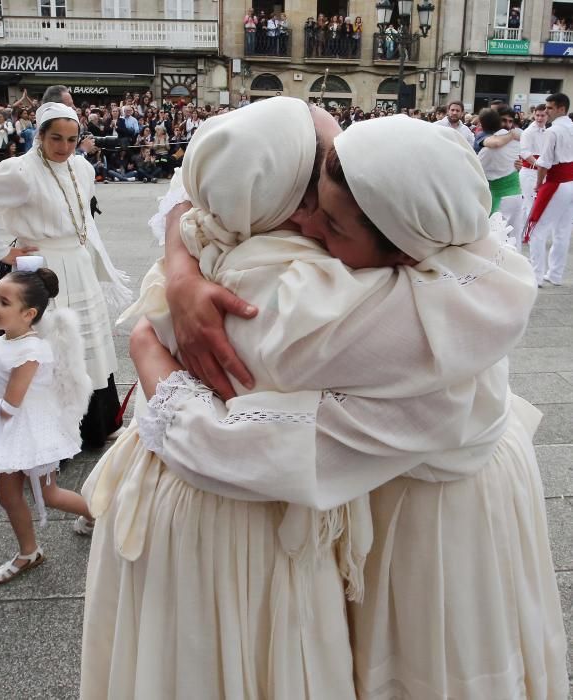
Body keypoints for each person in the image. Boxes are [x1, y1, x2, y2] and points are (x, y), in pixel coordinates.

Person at [124, 112, 567, 698]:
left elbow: (235, 447)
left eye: (329, 222)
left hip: (437, 518)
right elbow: (284, 132)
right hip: (443, 486)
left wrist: (149, 349)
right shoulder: (442, 212)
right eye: (307, 199)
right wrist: (179, 270)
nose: (306, 224)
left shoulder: (342, 318)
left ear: (403, 251)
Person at [80, 98, 363, 700]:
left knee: (171, 659)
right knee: (257, 655)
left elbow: (189, 188)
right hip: (244, 516)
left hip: (154, 485)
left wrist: (172, 285)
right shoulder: (312, 288)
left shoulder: (210, 233)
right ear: (302, 198)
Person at [0, 102, 131, 447]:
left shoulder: (82, 167)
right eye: (56, 138)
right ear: (39, 135)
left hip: (78, 265)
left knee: (88, 346)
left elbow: (84, 218)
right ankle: (49, 434)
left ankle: (97, 425)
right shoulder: (20, 170)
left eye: (71, 139)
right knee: (49, 347)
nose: (64, 147)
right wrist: (4, 251)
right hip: (42, 266)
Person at [0, 265, 94, 584]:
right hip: (7, 428)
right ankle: (29, 551)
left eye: (3, 302)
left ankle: (100, 515)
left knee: (50, 494)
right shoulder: (11, 340)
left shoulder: (29, 351)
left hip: (27, 430)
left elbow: (12, 406)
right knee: (8, 494)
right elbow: (1, 387)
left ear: (28, 314)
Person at [526, 92, 573, 287]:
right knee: (562, 230)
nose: (546, 111)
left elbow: (544, 163)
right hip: (570, 182)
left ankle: (537, 276)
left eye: (549, 108)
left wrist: (538, 184)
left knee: (537, 229)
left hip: (557, 181)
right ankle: (554, 274)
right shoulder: (570, 127)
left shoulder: (552, 131)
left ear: (561, 108)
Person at [475, 107, 524, 250]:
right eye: (504, 120)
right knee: (513, 237)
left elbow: (477, 171)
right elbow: (495, 143)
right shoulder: (486, 139)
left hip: (500, 196)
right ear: (497, 120)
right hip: (513, 195)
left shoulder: (486, 152)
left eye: (510, 121)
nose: (508, 124)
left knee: (498, 240)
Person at [519, 103, 549, 220]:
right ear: (534, 115)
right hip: (530, 172)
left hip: (542, 172)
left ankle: (523, 232)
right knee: (530, 204)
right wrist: (539, 165)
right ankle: (526, 234)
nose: (539, 118)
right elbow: (524, 152)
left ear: (547, 116)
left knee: (533, 205)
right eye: (537, 115)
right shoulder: (528, 132)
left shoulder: (546, 131)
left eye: (542, 115)